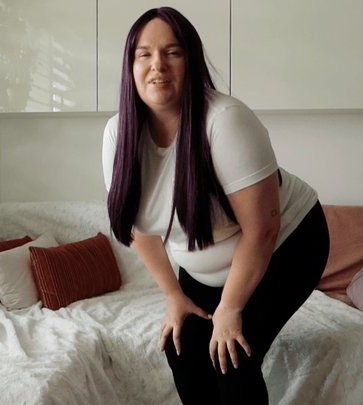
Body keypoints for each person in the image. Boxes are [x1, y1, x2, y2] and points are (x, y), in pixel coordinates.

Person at [102, 7, 330, 405]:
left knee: (232, 358)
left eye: (173, 52)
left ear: (190, 61)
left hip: (286, 244)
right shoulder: (117, 135)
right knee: (181, 348)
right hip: (207, 266)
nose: (158, 65)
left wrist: (230, 308)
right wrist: (173, 295)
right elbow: (140, 230)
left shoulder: (225, 121)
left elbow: (262, 229)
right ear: (130, 66)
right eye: (144, 54)